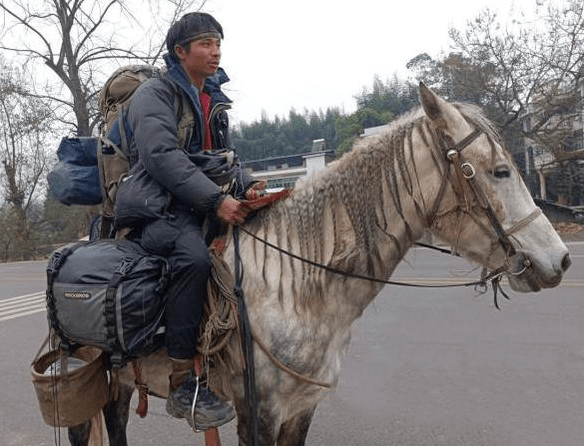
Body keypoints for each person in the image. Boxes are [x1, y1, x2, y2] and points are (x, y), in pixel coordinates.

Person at [118, 12, 264, 430]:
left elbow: (225, 160)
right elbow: (161, 156)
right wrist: (216, 200)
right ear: (180, 52)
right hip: (156, 208)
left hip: (196, 202)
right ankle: (184, 382)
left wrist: (249, 186)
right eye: (204, 43)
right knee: (195, 260)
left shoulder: (213, 99)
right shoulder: (154, 94)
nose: (215, 50)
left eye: (218, 42)